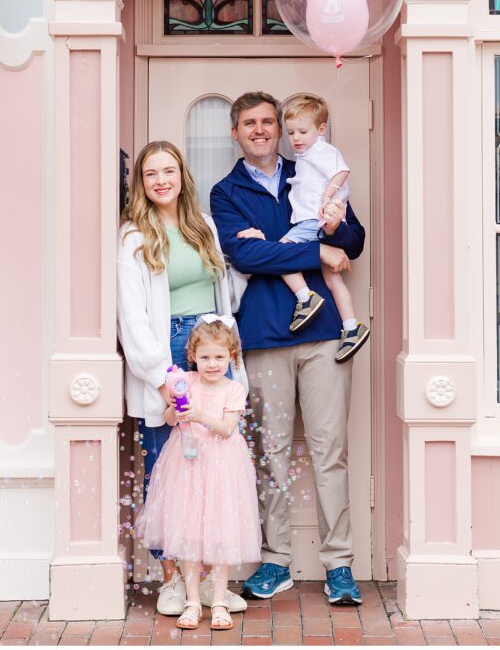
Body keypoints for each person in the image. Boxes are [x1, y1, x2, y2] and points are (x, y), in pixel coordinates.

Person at [210, 92, 366, 606]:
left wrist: (332, 233)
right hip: (262, 337)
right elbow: (244, 253)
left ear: (281, 129)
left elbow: (353, 241)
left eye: (268, 122)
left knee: (330, 452)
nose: (260, 130)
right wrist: (313, 250)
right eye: (249, 123)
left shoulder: (313, 167)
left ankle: (339, 564)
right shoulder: (225, 192)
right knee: (269, 452)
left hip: (323, 334)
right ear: (236, 132)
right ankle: (275, 560)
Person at [116, 140, 248, 617]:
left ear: (181, 175)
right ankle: (171, 579)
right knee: (166, 466)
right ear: (141, 184)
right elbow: (131, 318)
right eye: (151, 174)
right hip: (167, 352)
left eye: (168, 171)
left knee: (216, 468)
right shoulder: (133, 237)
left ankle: (213, 582)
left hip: (212, 344)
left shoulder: (203, 227)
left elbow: (225, 288)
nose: (160, 181)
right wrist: (158, 378)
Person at [135, 316, 261, 630]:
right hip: (186, 463)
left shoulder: (234, 389)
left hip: (221, 466)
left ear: (231, 357)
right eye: (204, 357)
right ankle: (192, 601)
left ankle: (218, 600)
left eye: (219, 357)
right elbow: (168, 418)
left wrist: (200, 414)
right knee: (188, 531)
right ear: (192, 357)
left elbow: (227, 429)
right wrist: (176, 410)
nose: (212, 363)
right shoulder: (186, 382)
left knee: (220, 531)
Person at [277, 93, 370, 362]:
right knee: (333, 279)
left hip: (312, 220)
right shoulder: (306, 156)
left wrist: (329, 195)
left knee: (282, 251)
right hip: (320, 220)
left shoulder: (322, 150)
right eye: (291, 132)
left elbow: (342, 172)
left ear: (321, 130)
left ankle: (305, 297)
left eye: (303, 131)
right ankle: (351, 327)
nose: (296, 138)